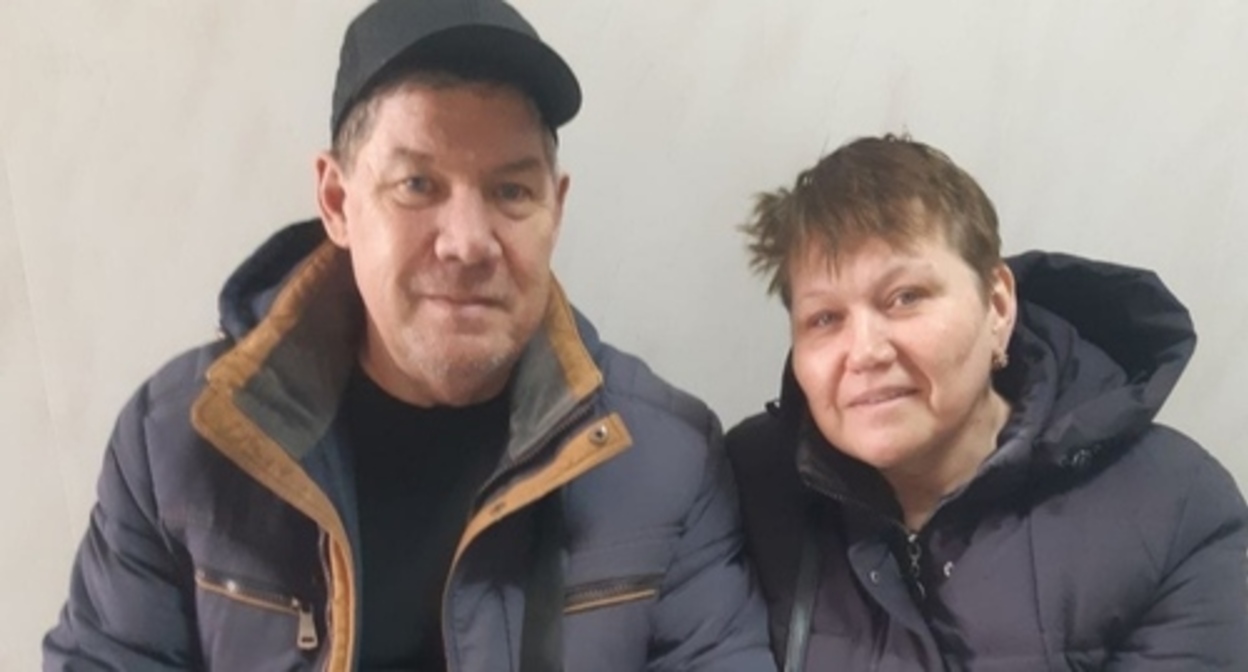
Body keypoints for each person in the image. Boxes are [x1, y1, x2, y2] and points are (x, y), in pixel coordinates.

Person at [42, 1, 773, 669]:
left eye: (510, 191)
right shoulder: (178, 445)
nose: (467, 241)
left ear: (557, 206)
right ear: (336, 200)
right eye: (417, 185)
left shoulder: (667, 459)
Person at [727, 134, 1248, 670]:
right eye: (824, 319)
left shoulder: (1175, 510)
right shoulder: (745, 488)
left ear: (996, 305)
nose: (863, 352)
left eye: (905, 298)